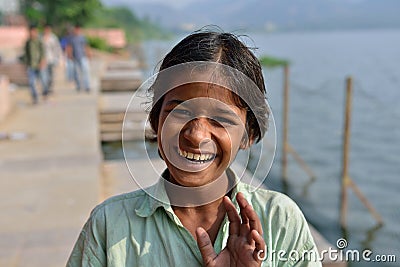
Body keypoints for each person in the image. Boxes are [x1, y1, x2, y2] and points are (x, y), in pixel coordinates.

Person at [67, 30, 322, 266]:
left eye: (220, 119)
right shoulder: (109, 226)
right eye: (180, 111)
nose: (196, 135)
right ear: (156, 122)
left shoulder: (279, 221)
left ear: (248, 135)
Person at [23, 25, 48, 104]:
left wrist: (42, 61)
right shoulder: (28, 42)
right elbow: (26, 54)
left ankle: (45, 92)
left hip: (40, 64)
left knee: (43, 80)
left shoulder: (39, 41)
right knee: (31, 82)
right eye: (30, 31)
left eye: (33, 31)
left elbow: (43, 52)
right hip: (31, 65)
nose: (32, 33)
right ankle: (35, 97)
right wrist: (26, 63)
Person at [66, 24, 91, 92]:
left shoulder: (82, 37)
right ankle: (78, 86)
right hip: (75, 57)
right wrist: (70, 55)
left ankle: (87, 86)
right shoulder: (71, 38)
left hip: (83, 57)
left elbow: (86, 46)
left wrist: (88, 54)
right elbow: (69, 47)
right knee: (76, 73)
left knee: (85, 72)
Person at [42, 24, 62, 93]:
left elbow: (57, 49)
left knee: (51, 75)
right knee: (44, 75)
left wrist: (58, 59)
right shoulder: (41, 37)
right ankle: (45, 89)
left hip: (52, 59)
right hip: (43, 60)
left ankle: (50, 87)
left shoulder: (53, 38)